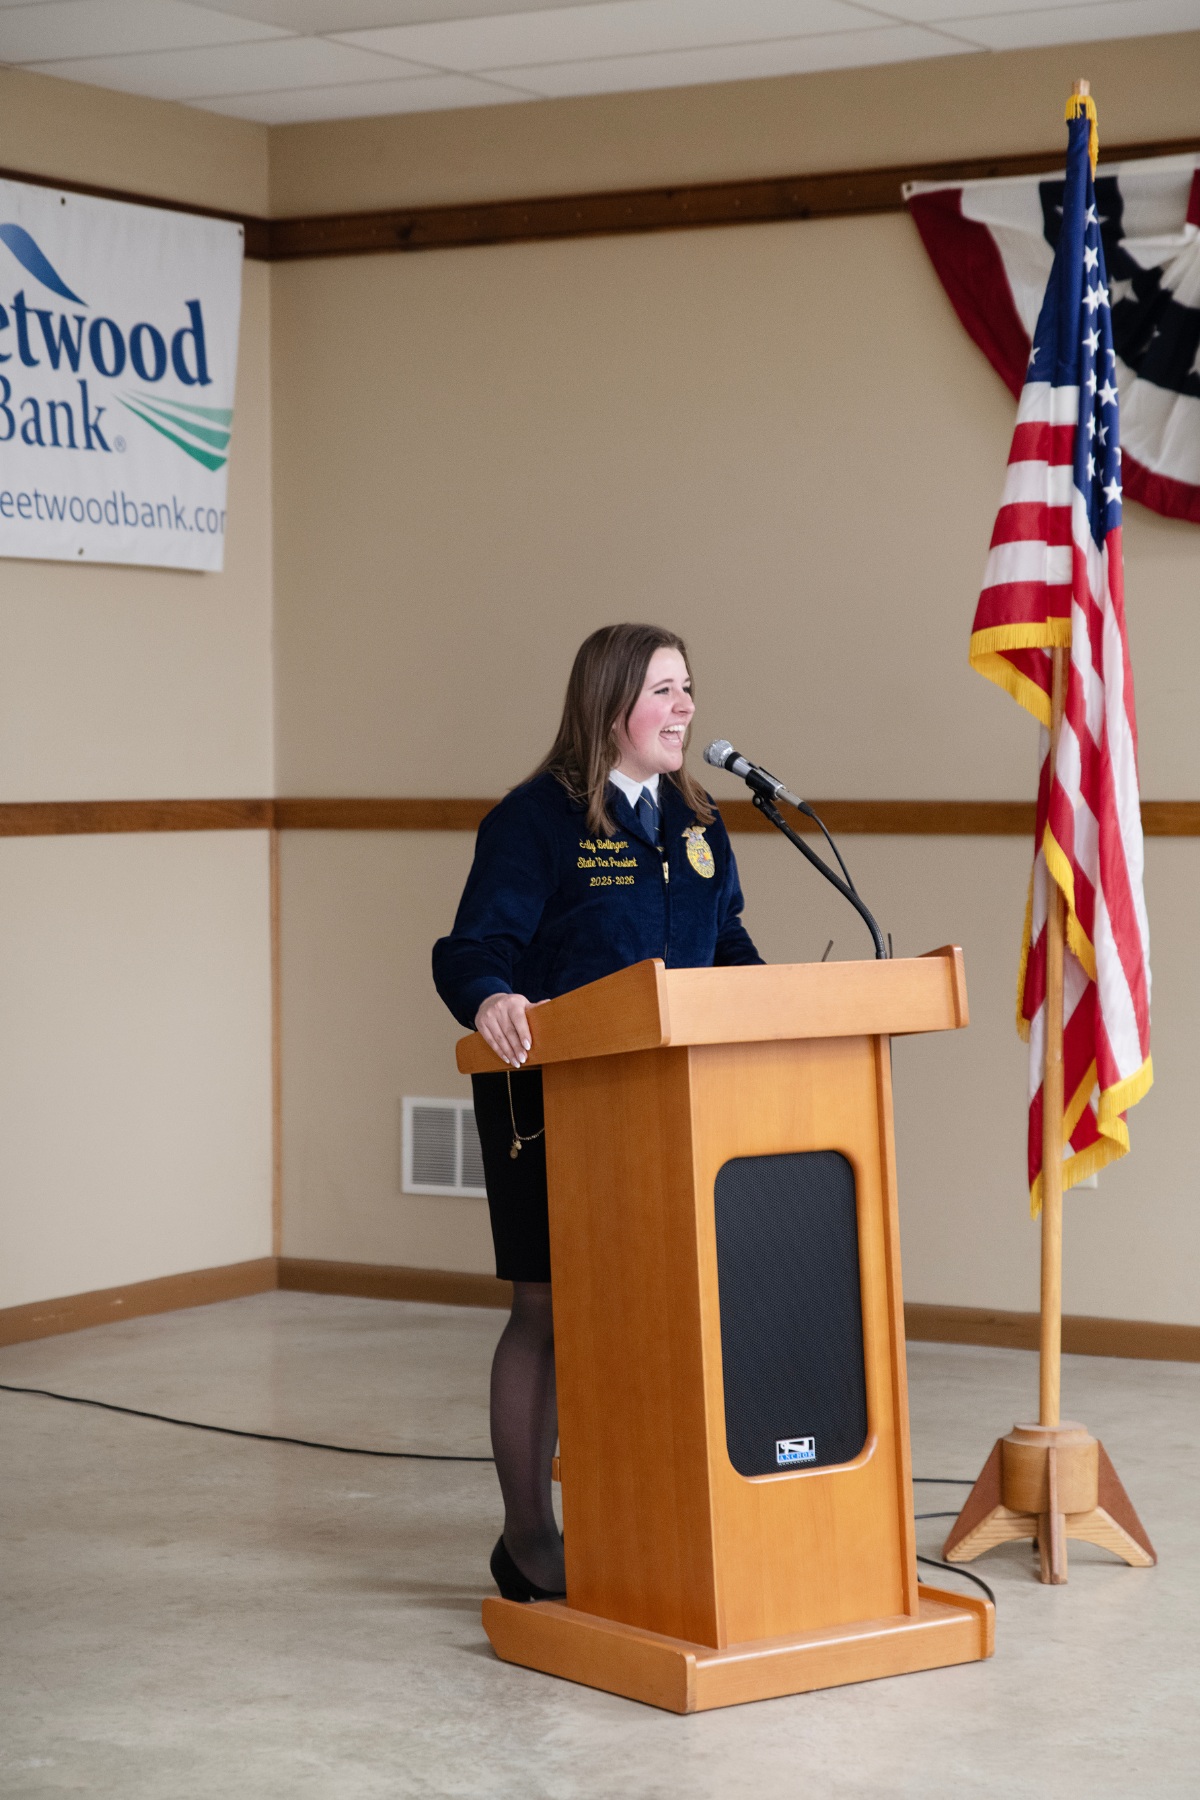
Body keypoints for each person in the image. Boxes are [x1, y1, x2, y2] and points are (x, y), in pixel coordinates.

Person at [432, 622, 762, 1602]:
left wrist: (778, 1005)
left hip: (675, 1104)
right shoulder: (536, 820)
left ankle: (645, 1517)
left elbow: (727, 941)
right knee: (548, 1312)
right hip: (551, 1099)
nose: (685, 708)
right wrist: (493, 994)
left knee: (653, 1308)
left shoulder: (699, 822)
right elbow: (471, 946)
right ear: (608, 704)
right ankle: (529, 1539)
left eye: (689, 688)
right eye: (664, 690)